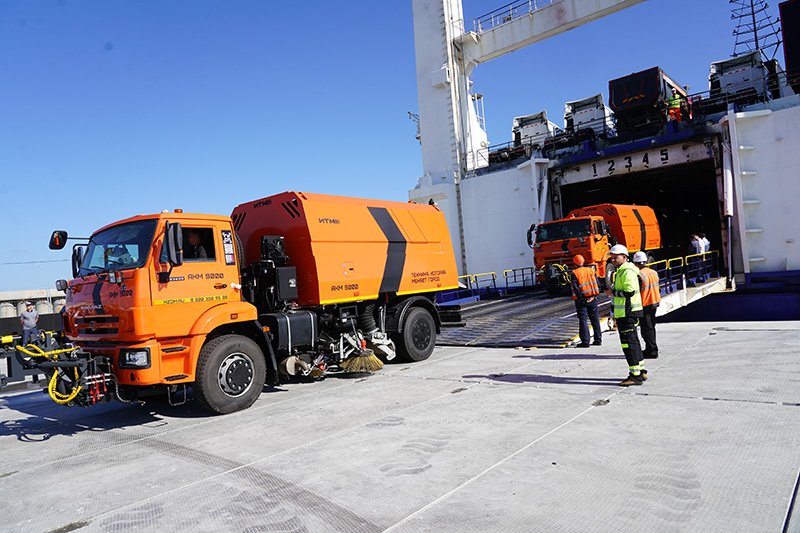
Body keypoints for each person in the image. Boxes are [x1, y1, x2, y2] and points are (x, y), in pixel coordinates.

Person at [606, 245, 646, 386]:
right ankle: (641, 371)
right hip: (627, 313)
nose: (613, 260)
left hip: (627, 313)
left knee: (629, 344)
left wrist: (612, 293)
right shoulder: (624, 270)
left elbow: (629, 291)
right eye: (612, 257)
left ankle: (635, 376)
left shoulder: (627, 272)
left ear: (624, 257)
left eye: (615, 257)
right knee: (633, 342)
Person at [570, 254, 602, 348]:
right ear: (583, 262)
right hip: (593, 298)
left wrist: (583, 299)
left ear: (575, 264)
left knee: (583, 320)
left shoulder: (574, 273)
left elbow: (576, 289)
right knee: (595, 318)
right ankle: (598, 339)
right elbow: (598, 284)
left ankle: (585, 341)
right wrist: (594, 296)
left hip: (581, 301)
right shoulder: (591, 270)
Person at [633, 251, 660, 359]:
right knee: (651, 327)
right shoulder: (654, 272)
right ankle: (651, 348)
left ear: (635, 263)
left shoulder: (639, 275)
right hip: (654, 302)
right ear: (645, 261)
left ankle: (652, 351)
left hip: (645, 304)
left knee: (646, 329)